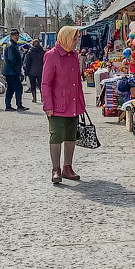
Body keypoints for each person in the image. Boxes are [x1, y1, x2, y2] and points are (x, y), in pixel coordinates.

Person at [41, 26, 85, 184]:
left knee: (70, 136)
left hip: (73, 105)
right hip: (57, 105)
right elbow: (45, 83)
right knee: (57, 136)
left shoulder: (74, 55)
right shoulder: (51, 55)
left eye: (77, 39)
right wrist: (48, 105)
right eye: (74, 39)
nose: (76, 42)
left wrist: (81, 102)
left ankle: (68, 167)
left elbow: (78, 82)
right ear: (66, 38)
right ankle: (56, 169)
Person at [2, 29, 29, 112]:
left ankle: (8, 105)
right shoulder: (11, 46)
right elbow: (12, 60)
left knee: (10, 88)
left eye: (17, 35)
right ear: (11, 36)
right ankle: (18, 105)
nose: (16, 37)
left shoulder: (13, 45)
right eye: (15, 35)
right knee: (18, 88)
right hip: (11, 71)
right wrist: (18, 71)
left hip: (10, 71)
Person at [23, 39, 45, 104]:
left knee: (32, 85)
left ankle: (34, 98)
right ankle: (42, 98)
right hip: (41, 71)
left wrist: (26, 72)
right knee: (41, 85)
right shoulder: (42, 52)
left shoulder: (30, 52)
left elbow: (27, 63)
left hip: (31, 72)